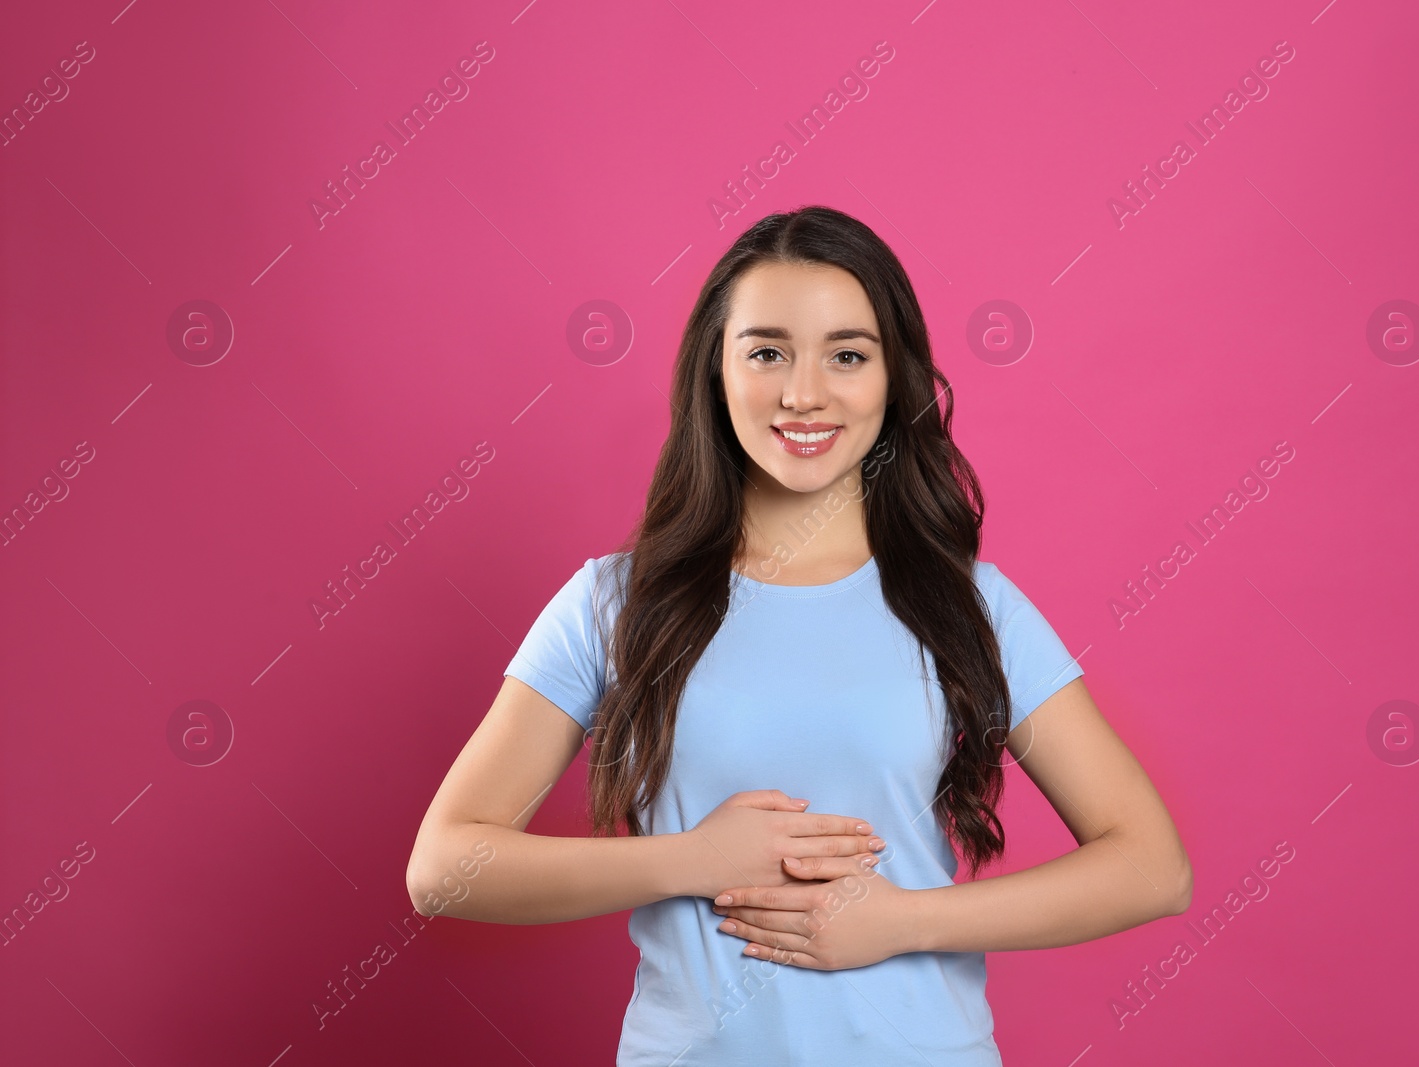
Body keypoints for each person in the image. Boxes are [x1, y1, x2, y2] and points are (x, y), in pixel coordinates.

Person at [405, 205, 1191, 1065]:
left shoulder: (970, 605)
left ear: (895, 381)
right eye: (766, 351)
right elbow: (443, 867)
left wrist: (902, 921)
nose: (803, 393)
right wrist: (691, 860)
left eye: (847, 355)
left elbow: (1153, 867)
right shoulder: (615, 603)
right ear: (716, 369)